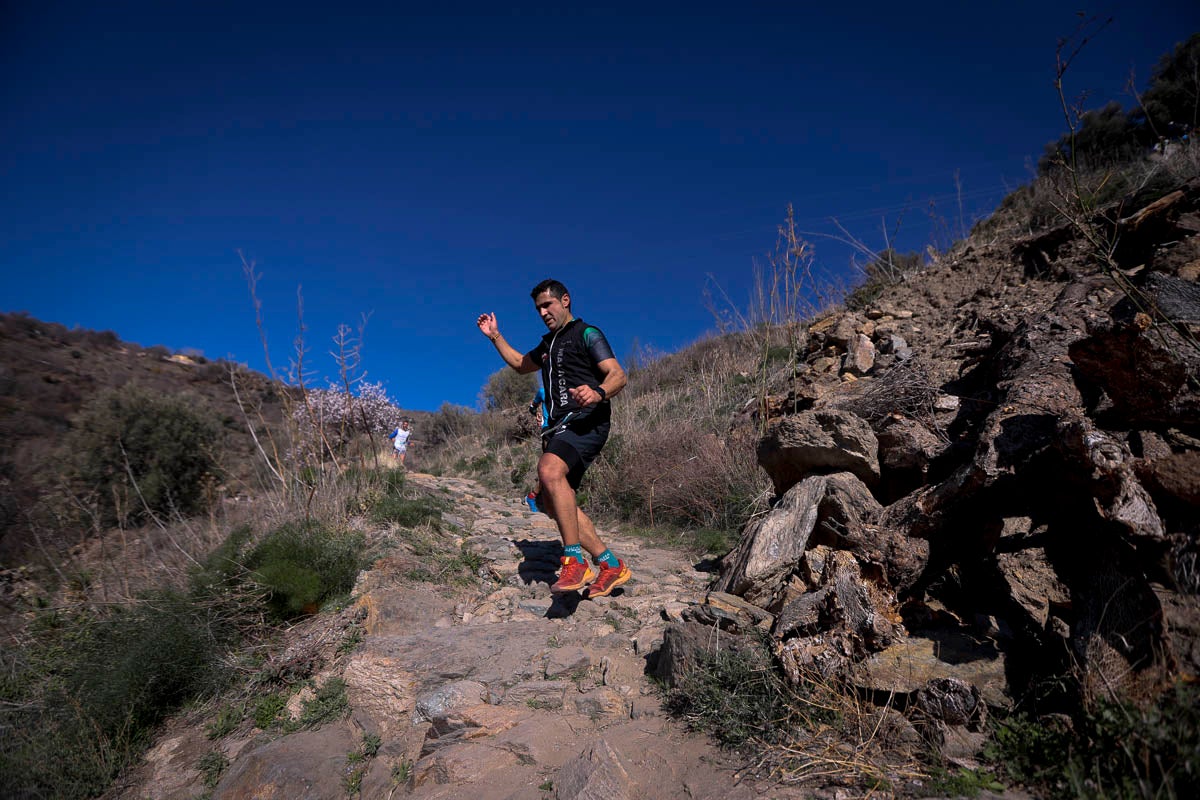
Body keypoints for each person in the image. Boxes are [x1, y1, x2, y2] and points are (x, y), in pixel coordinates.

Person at [477, 279, 631, 598]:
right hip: (560, 427)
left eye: (548, 305)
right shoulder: (547, 345)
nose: (543, 312)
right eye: (538, 309)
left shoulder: (587, 333)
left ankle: (573, 559)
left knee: (549, 471)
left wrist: (598, 391)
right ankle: (610, 564)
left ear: (565, 300)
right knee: (552, 500)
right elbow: (521, 365)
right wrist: (495, 337)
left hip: (588, 420)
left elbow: (618, 374)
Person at [524, 385, 549, 512]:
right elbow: (532, 408)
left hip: (566, 431)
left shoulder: (569, 388)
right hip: (549, 430)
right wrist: (537, 414)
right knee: (550, 468)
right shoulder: (542, 392)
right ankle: (532, 497)